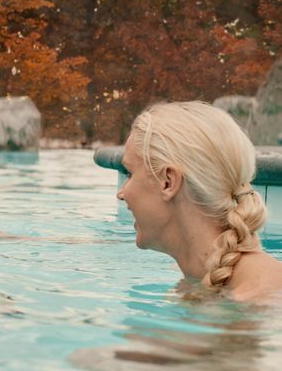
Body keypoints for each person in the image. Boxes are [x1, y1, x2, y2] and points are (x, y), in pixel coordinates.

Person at [117, 100, 282, 301]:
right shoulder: (194, 286)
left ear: (168, 182)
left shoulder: (262, 299)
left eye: (130, 173)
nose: (121, 193)